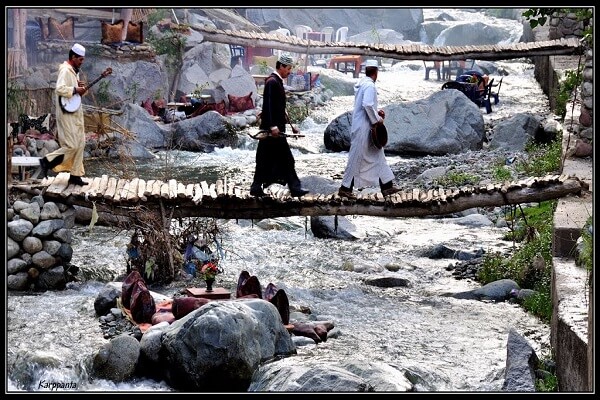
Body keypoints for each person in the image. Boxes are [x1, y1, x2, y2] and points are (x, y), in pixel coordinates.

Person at [338, 60, 401, 199]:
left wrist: (376, 113)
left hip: (362, 126)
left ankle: (387, 186)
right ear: (376, 73)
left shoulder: (362, 84)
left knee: (378, 155)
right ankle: (345, 188)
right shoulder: (370, 86)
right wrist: (377, 120)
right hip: (364, 128)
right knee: (356, 157)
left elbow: (366, 105)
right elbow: (367, 105)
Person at [250, 53, 309, 198]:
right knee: (287, 159)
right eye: (288, 69)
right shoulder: (272, 82)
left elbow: (279, 107)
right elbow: (268, 106)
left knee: (264, 160)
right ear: (281, 66)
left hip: (275, 130)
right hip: (272, 131)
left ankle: (256, 187)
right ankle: (294, 188)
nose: (289, 72)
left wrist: (291, 125)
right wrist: (272, 127)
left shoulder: (277, 81)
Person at [39, 43, 89, 186]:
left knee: (81, 143)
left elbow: (74, 92)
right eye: (80, 59)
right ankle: (47, 161)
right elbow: (60, 89)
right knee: (71, 145)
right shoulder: (66, 70)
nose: (82, 62)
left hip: (75, 112)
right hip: (66, 113)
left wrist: (79, 87)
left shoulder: (74, 71)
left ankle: (75, 175)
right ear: (73, 57)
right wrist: (74, 89)